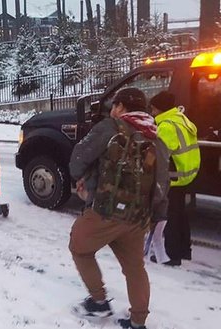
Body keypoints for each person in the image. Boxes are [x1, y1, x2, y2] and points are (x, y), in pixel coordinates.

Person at [68, 87, 170, 329]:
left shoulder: (110, 128)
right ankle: (138, 321)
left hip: (105, 211)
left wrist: (84, 180)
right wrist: (155, 215)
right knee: (135, 268)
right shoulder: (156, 138)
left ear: (122, 107)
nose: (112, 110)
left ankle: (99, 301)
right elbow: (162, 183)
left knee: (79, 247)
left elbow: (78, 159)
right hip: (137, 217)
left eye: (114, 105)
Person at [148, 91, 201, 266]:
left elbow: (160, 155)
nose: (152, 112)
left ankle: (172, 255)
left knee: (170, 215)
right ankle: (185, 250)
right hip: (188, 173)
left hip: (175, 177)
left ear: (161, 108)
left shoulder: (166, 126)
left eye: (154, 108)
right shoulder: (181, 118)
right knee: (181, 213)